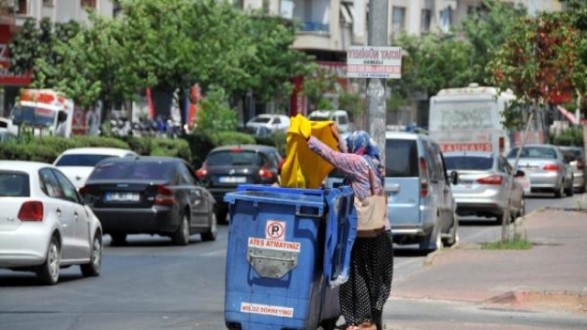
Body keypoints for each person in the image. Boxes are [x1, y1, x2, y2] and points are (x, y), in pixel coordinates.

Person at [306, 127, 393, 330]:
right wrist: (338, 137)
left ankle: (358, 322)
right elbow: (348, 153)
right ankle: (372, 321)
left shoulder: (357, 163)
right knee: (377, 278)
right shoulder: (374, 163)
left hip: (365, 231)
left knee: (356, 274)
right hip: (382, 231)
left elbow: (336, 157)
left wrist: (310, 140)